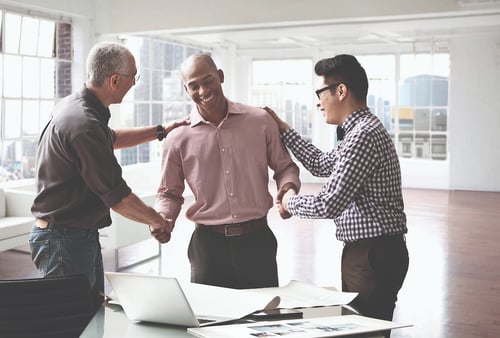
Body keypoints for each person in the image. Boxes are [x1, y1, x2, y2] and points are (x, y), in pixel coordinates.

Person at [30, 42, 188, 306]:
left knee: (92, 314)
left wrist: (161, 130)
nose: (135, 83)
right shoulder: (84, 124)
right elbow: (118, 197)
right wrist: (159, 220)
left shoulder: (77, 107)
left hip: (74, 236)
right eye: (133, 77)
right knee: (72, 322)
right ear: (114, 80)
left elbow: (110, 138)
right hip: (63, 242)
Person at [264, 54, 409, 326]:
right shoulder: (359, 132)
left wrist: (289, 201)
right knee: (366, 327)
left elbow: (328, 204)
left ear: (341, 91)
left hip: (372, 254)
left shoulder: (362, 136)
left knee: (365, 330)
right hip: (374, 252)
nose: (318, 102)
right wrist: (284, 131)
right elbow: (321, 164)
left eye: (320, 92)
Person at [153, 53, 301, 289]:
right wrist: (164, 217)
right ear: (186, 89)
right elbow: (168, 193)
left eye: (208, 80)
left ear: (220, 76)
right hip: (207, 247)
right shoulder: (177, 138)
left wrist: (288, 191)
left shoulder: (260, 121)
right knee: (211, 321)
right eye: (194, 85)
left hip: (257, 241)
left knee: (263, 320)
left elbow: (285, 167)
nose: (203, 90)